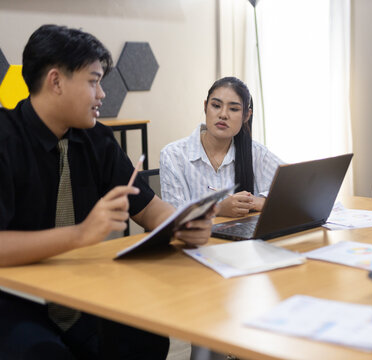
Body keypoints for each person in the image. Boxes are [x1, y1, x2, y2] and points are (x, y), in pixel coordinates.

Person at [0, 24, 216, 360]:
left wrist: (184, 224)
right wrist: (81, 234)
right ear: (56, 81)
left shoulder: (96, 139)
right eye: (93, 81)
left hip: (80, 290)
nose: (102, 94)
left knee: (146, 337)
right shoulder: (5, 139)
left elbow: (149, 209)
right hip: (14, 297)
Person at [160, 76, 283, 217]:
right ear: (206, 107)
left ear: (246, 116)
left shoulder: (256, 153)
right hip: (196, 238)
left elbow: (296, 189)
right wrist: (217, 210)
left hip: (245, 237)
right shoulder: (173, 155)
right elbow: (171, 217)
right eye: (216, 106)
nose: (223, 115)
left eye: (234, 109)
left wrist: (261, 201)